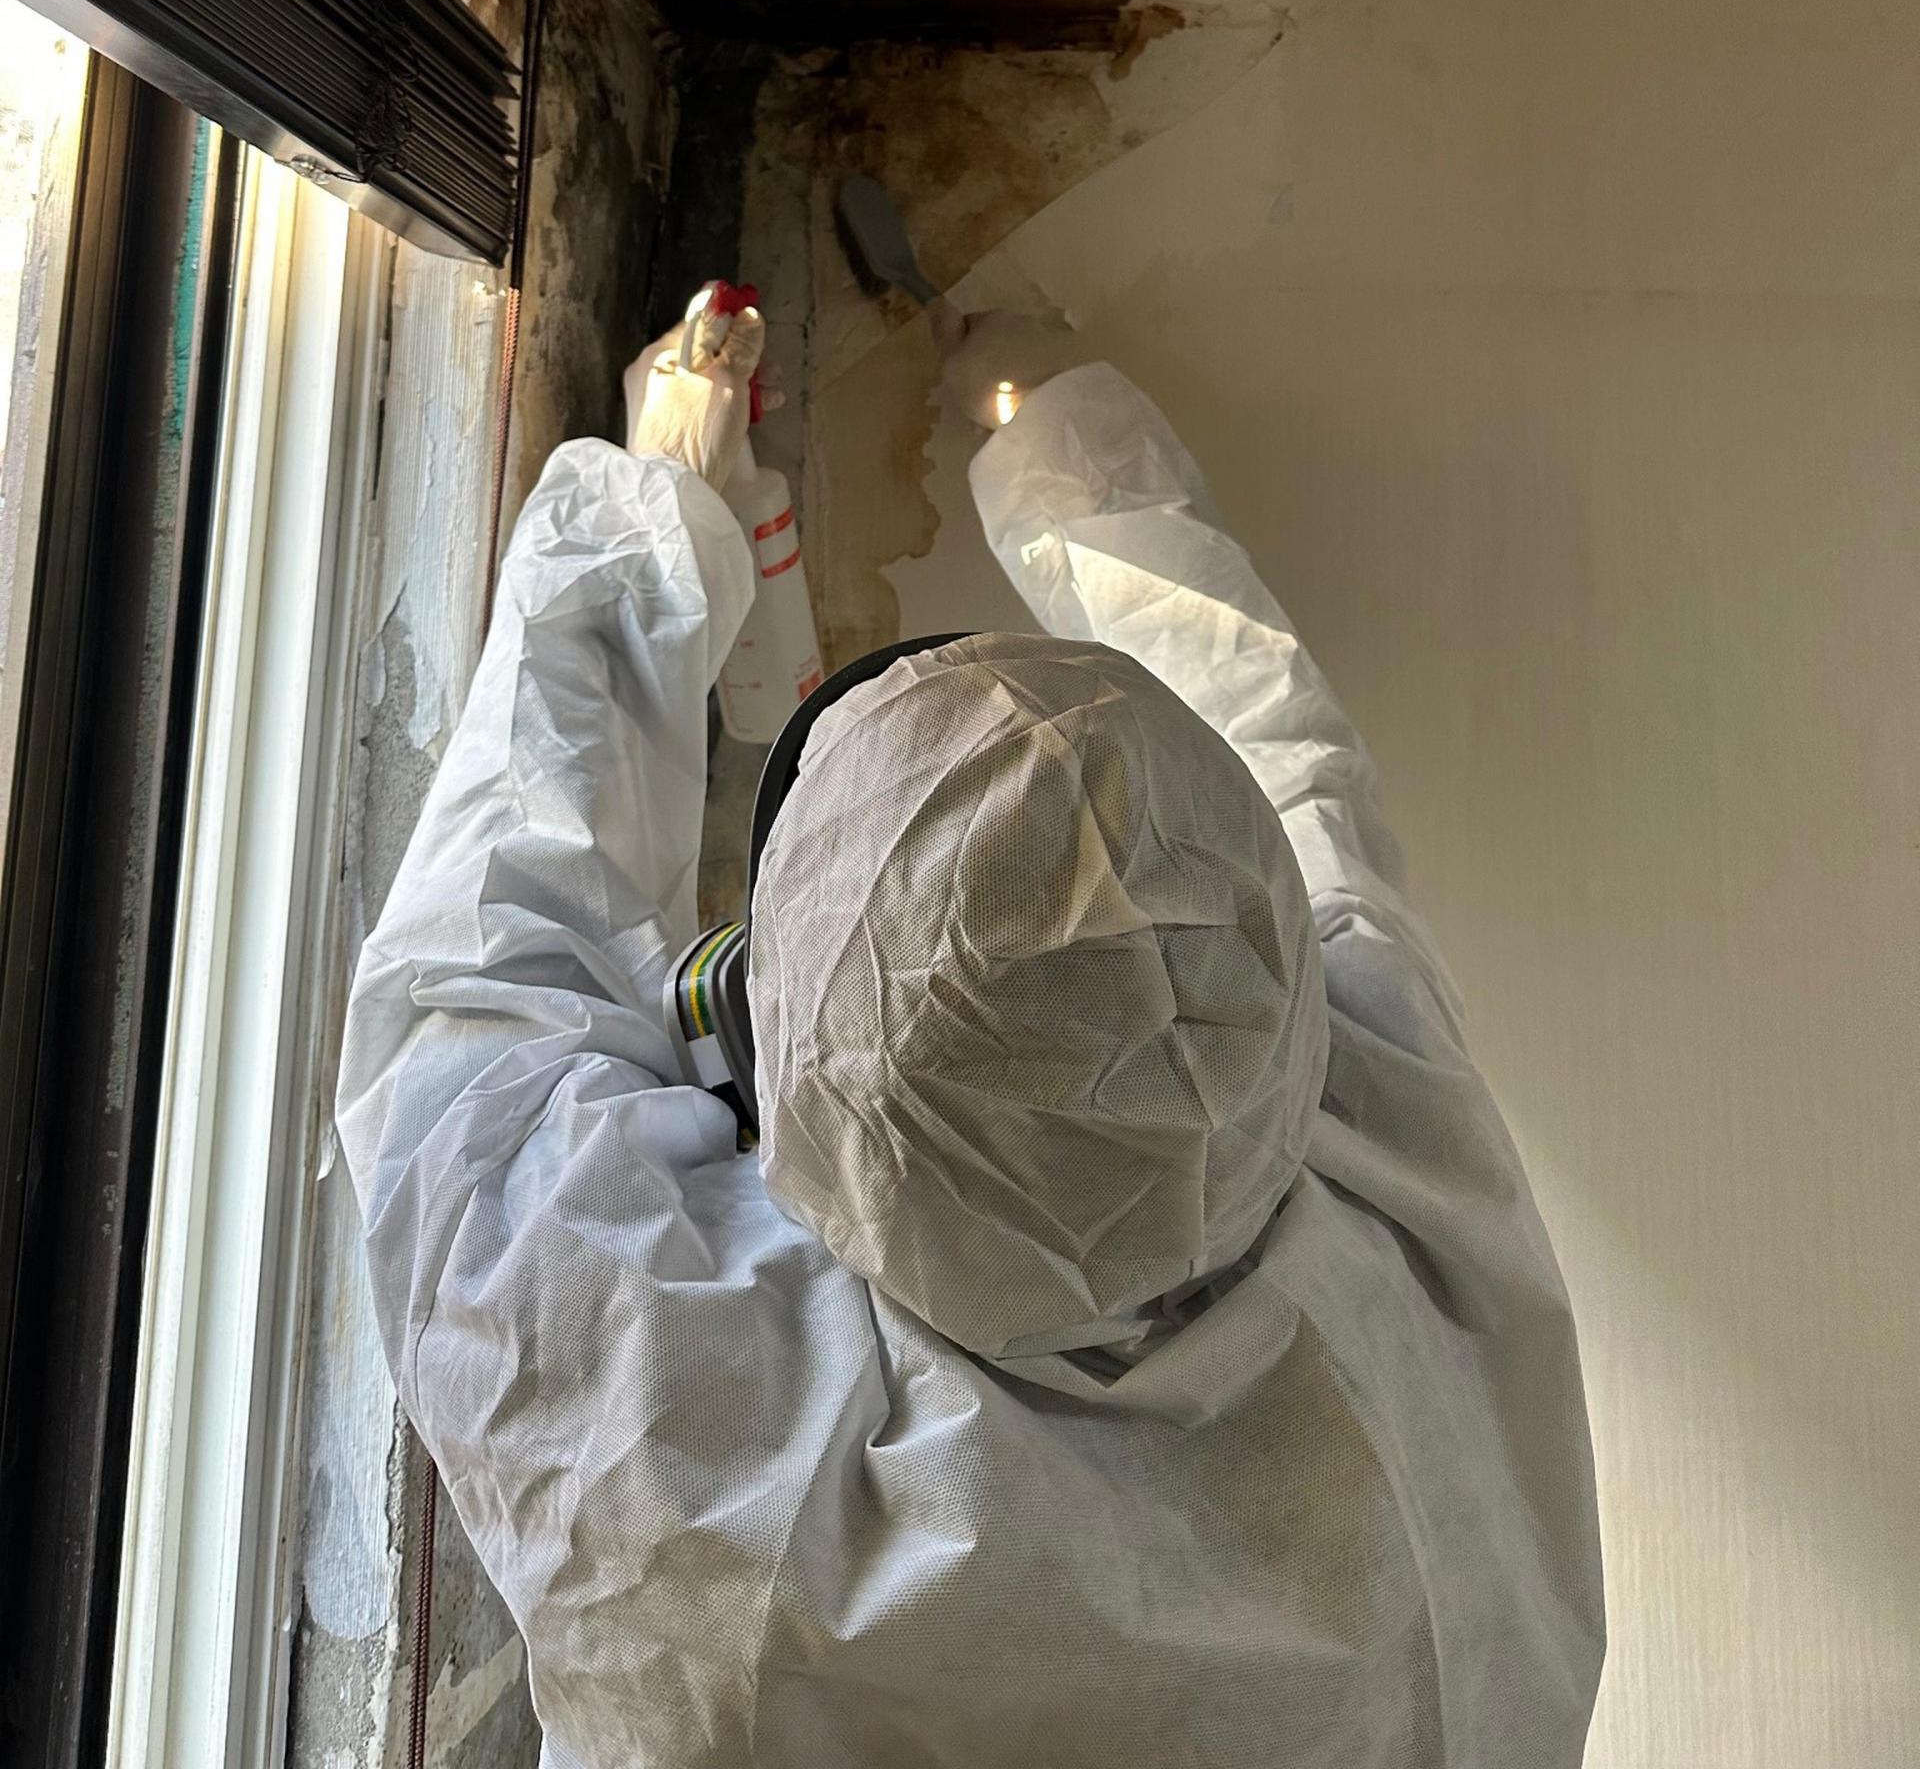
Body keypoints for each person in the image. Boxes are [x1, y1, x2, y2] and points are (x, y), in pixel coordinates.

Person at [338, 292, 1605, 1769]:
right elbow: (1280, 747)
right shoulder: (1397, 1132)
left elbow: (474, 1005)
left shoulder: (741, 1485)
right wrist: (1055, 433)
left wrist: (660, 506)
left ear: (788, 1065)